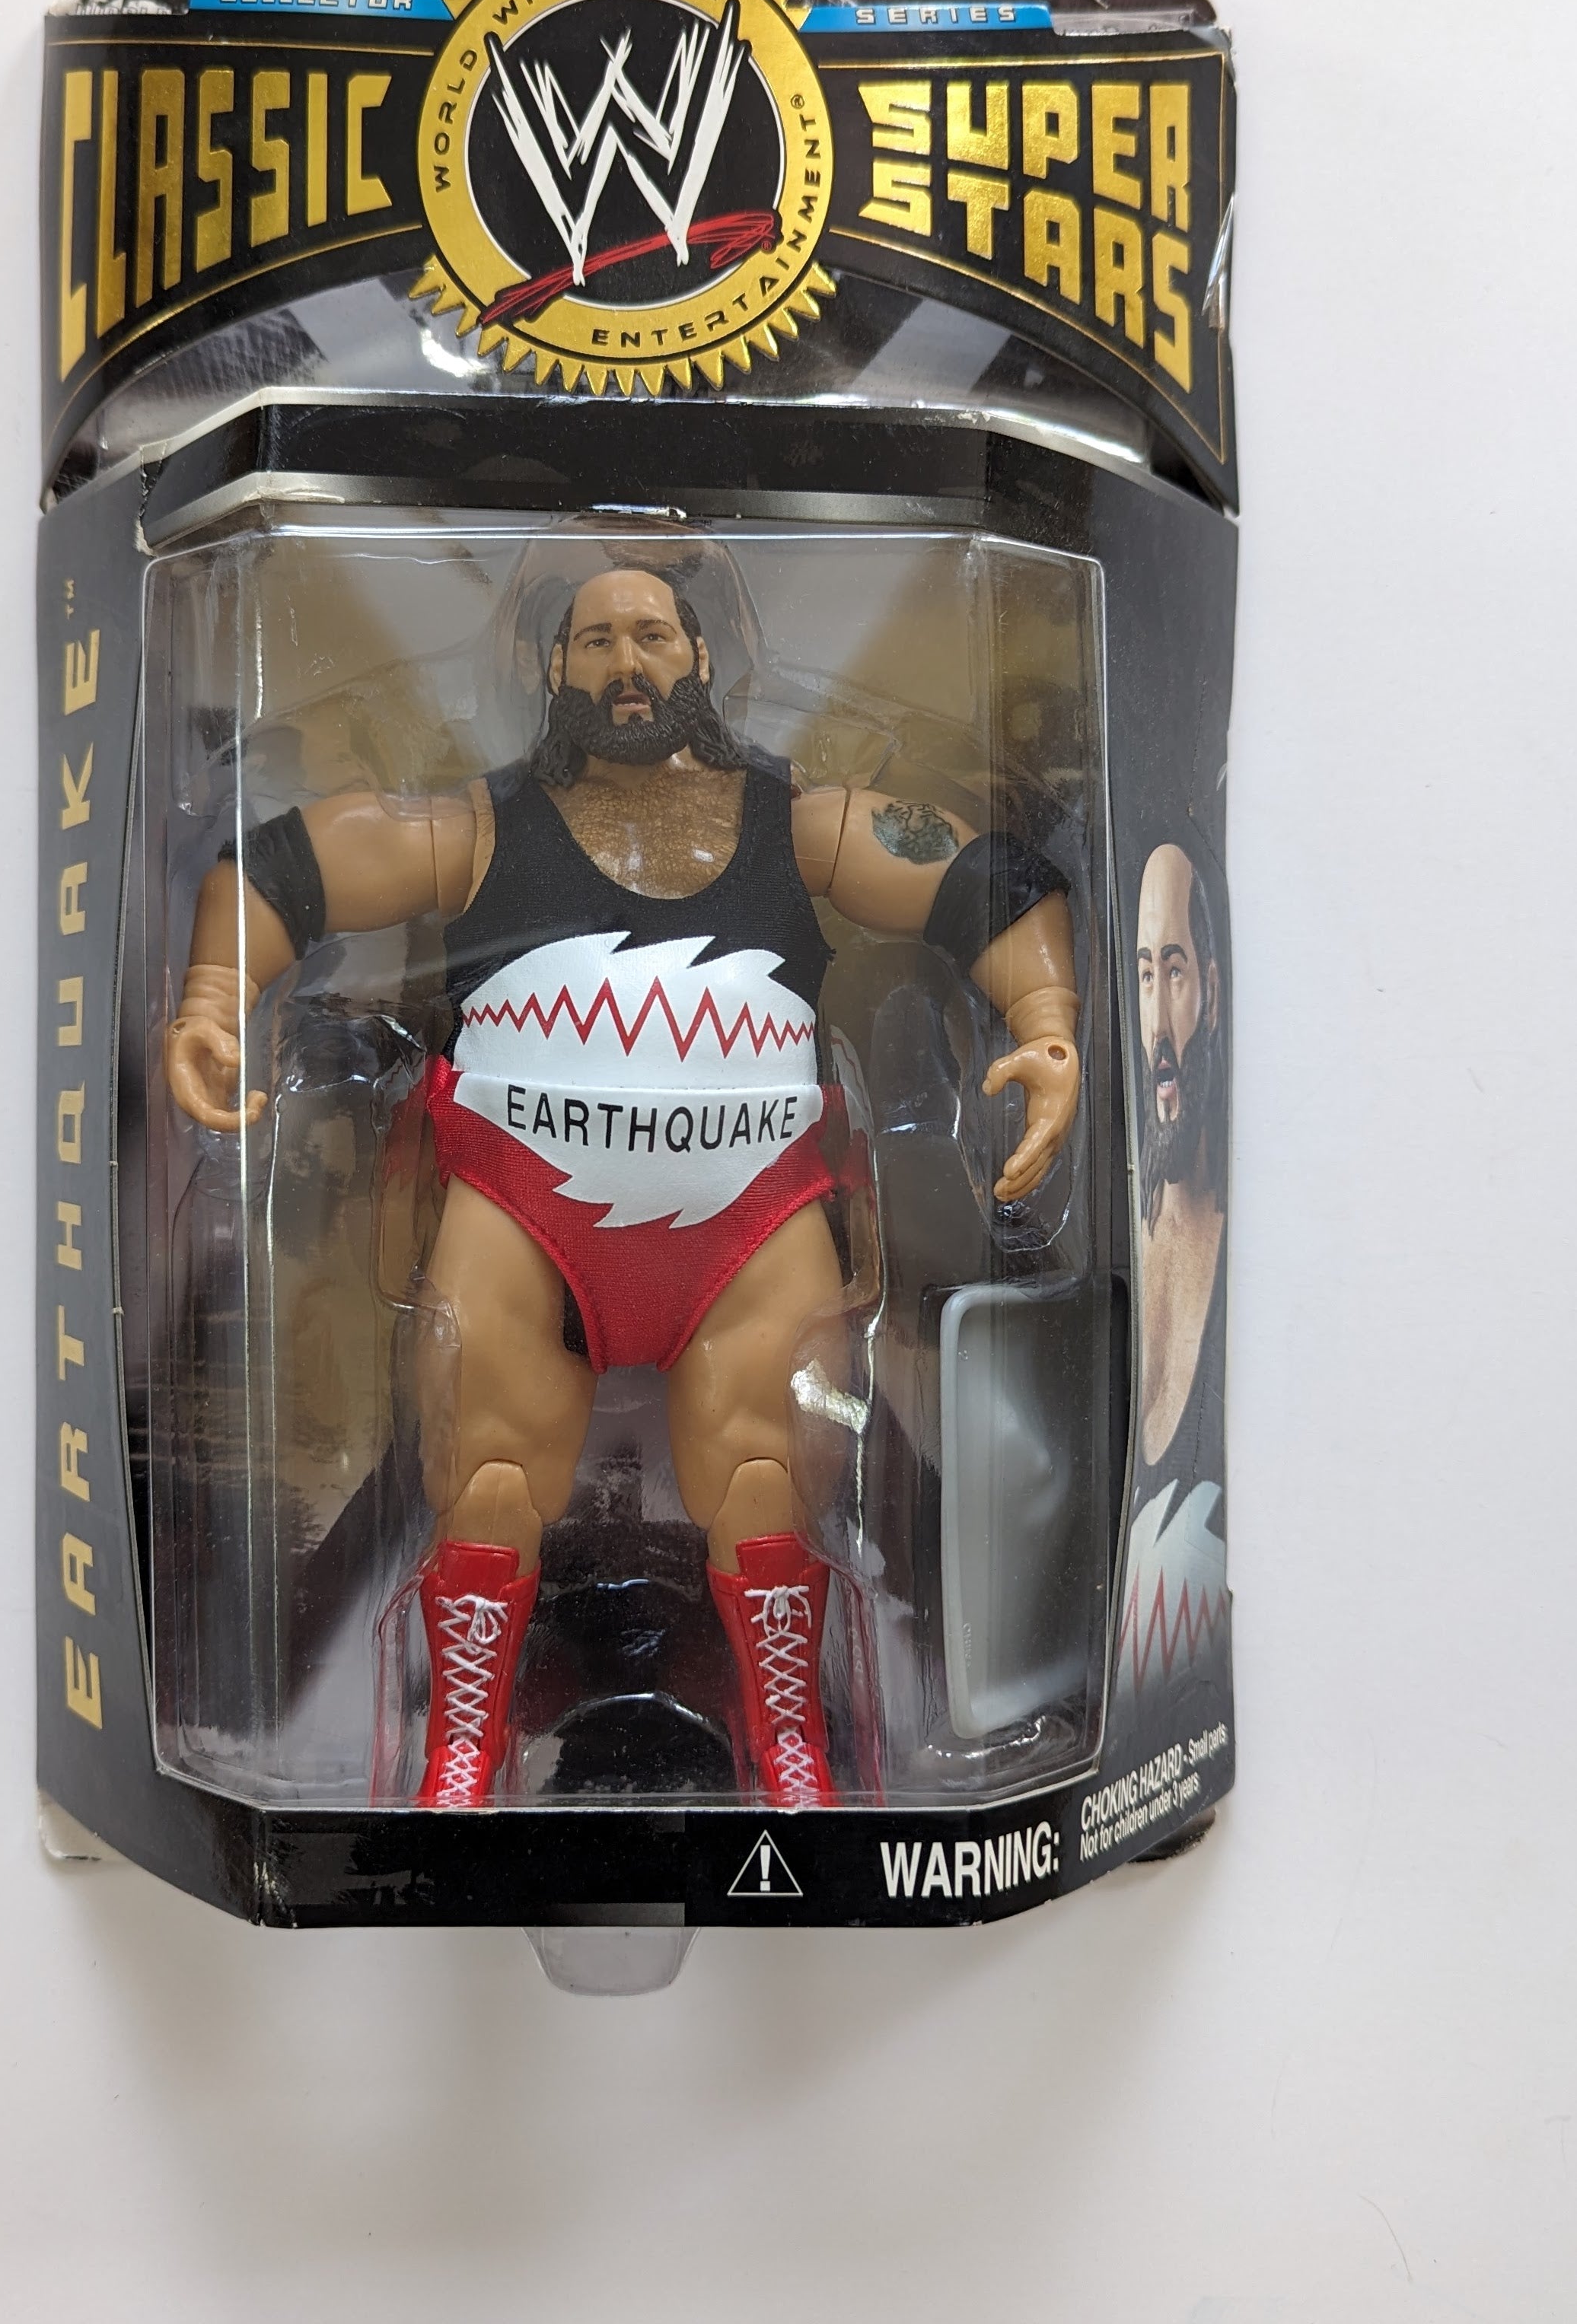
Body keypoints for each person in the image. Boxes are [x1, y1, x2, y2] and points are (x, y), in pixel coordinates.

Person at [167, 559, 1083, 1807]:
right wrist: (214, 994)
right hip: (520, 1203)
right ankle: (458, 1760)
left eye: (649, 635)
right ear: (554, 668)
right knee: (487, 1473)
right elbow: (298, 865)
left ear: (700, 658)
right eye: (595, 641)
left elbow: (974, 877)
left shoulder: (795, 821)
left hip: (751, 1207)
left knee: (764, 1478)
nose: (625, 664)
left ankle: (792, 1753)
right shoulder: (481, 827)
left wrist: (1045, 1022)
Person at [1117, 841, 1228, 1706]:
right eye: (1145, 974)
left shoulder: (1243, 1253)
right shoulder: (1130, 1225)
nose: (1157, 1022)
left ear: (1212, 994)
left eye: (1176, 972)